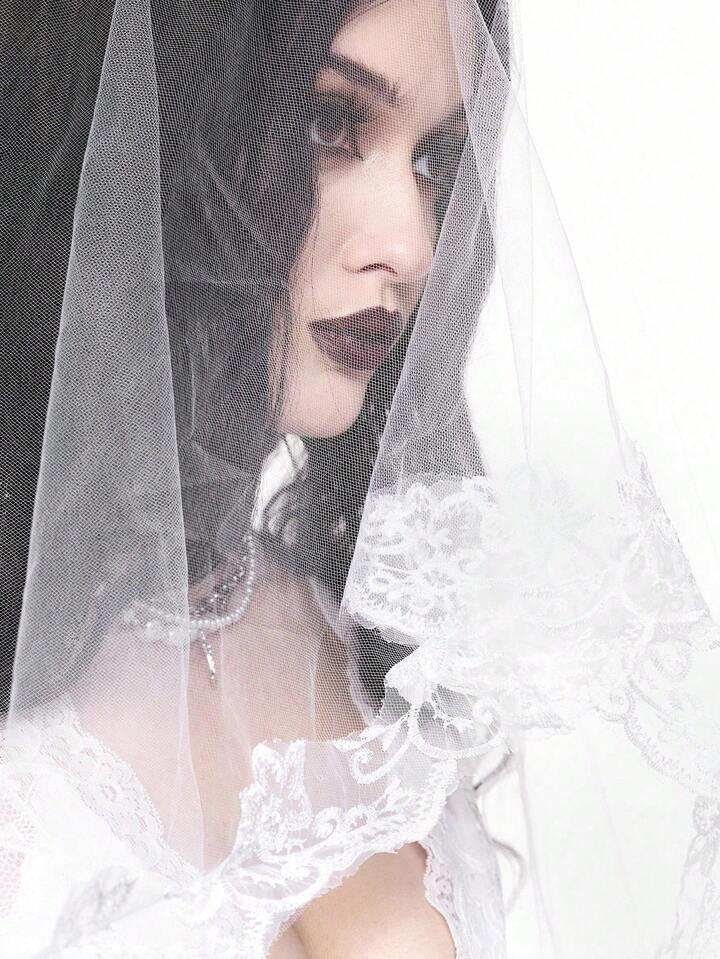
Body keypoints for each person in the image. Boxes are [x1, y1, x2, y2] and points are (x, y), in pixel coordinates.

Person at [3, 0, 720, 956]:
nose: (411, 246)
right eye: (330, 123)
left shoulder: (373, 638)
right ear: (154, 122)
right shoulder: (31, 704)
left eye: (435, 160)